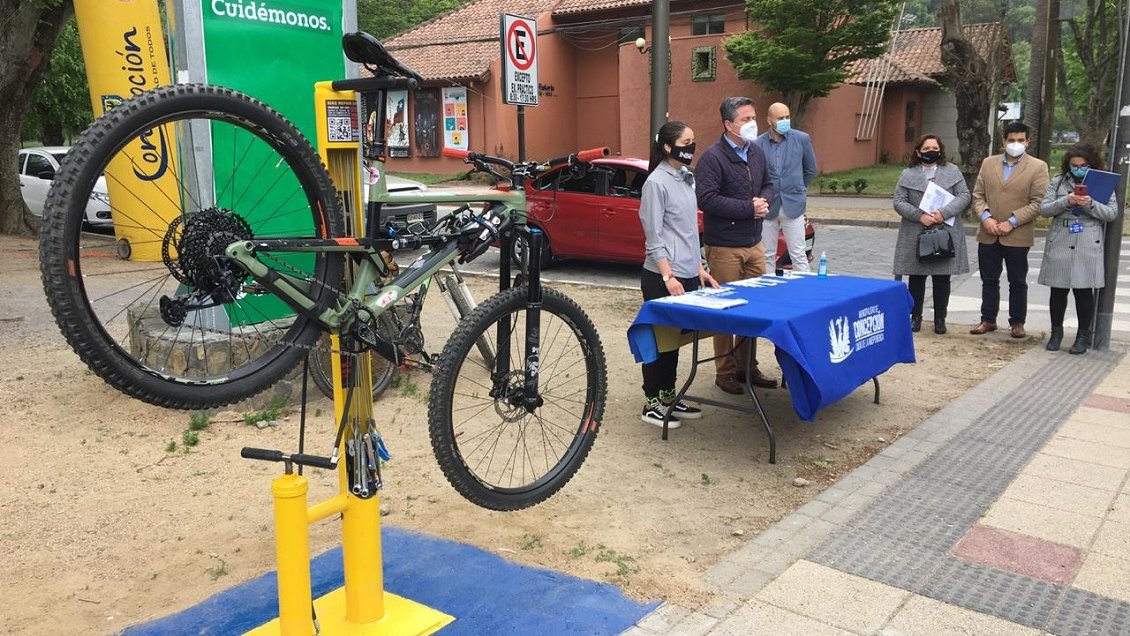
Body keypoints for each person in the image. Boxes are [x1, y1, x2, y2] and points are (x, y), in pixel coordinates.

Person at [638, 121, 719, 427]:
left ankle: (669, 395)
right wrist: (668, 277)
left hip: (687, 274)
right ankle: (651, 403)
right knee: (660, 341)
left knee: (676, 340)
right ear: (669, 147)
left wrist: (700, 268)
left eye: (694, 141)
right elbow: (654, 236)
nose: (692, 148)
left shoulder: (687, 179)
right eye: (686, 142)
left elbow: (688, 231)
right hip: (662, 277)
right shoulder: (656, 183)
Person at [696, 97, 777, 395]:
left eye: (753, 117)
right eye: (745, 119)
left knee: (753, 309)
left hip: (754, 243)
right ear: (728, 125)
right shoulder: (712, 158)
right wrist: (747, 208)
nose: (752, 124)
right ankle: (725, 370)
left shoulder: (756, 152)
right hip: (725, 247)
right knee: (727, 310)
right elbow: (706, 199)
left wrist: (764, 200)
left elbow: (769, 183)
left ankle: (748, 366)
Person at [969, 121, 1049, 338]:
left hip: (1017, 235)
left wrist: (1012, 221)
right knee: (989, 279)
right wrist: (986, 218)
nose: (1016, 144)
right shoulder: (988, 163)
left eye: (1020, 140)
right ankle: (988, 319)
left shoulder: (1038, 167)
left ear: (1027, 141)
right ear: (1004, 141)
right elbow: (977, 195)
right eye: (1011, 140)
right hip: (988, 233)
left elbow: (1038, 202)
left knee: (1017, 281)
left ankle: (1017, 322)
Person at [1038, 143, 1119, 354]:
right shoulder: (1058, 182)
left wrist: (1088, 203)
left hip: (1087, 238)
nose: (1078, 169)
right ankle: (1056, 333)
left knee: (1084, 292)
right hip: (1062, 236)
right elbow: (1044, 209)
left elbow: (1111, 213)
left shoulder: (1101, 182)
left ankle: (1083, 335)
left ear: (1091, 164)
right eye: (1074, 165)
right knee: (1058, 289)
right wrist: (1067, 200)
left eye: (1083, 165)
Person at [891, 134, 971, 335]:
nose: (931, 152)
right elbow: (899, 201)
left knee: (942, 278)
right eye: (926, 149)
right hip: (916, 230)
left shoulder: (952, 171)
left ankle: (940, 318)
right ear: (918, 152)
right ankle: (915, 316)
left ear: (941, 150)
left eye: (934, 148)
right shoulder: (907, 173)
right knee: (917, 278)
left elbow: (964, 195)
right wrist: (919, 216)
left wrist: (943, 213)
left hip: (945, 229)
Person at [753, 102, 818, 274]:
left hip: (794, 204)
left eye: (787, 117)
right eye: (780, 118)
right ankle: (768, 288)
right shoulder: (758, 144)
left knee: (798, 253)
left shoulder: (801, 139)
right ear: (769, 120)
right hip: (768, 206)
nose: (785, 121)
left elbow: (810, 169)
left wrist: (799, 188)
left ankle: (804, 291)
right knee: (766, 254)